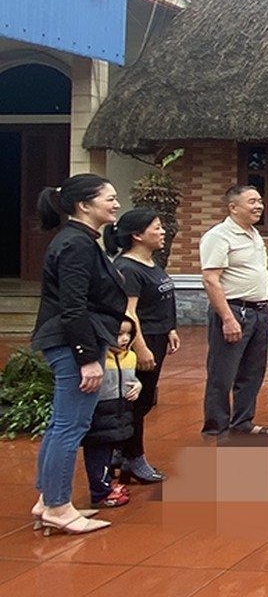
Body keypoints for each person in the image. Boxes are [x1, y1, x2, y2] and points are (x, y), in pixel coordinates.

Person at [30, 173, 125, 536]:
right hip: (71, 344)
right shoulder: (75, 244)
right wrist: (87, 357)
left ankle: (48, 500)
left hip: (73, 340)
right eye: (109, 198)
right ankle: (57, 505)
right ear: (84, 205)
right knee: (71, 426)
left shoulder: (82, 240)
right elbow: (73, 307)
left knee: (61, 425)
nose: (116, 204)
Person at [107, 209, 180, 482]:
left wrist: (169, 328)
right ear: (137, 235)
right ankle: (133, 459)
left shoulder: (150, 262)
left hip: (158, 335)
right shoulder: (127, 267)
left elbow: (159, 299)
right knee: (136, 402)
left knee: (144, 400)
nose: (163, 232)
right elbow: (129, 313)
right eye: (157, 227)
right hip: (142, 340)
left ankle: (120, 451)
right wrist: (142, 348)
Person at [199, 185, 268, 437]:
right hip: (234, 310)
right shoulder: (219, 236)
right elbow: (211, 279)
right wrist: (227, 318)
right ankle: (216, 427)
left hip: (258, 310)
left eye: (260, 201)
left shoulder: (253, 234)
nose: (259, 206)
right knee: (222, 373)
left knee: (253, 371)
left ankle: (243, 421)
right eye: (252, 202)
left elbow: (258, 274)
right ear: (233, 207)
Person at [81, 319, 141, 509]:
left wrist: (138, 385)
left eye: (128, 334)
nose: (124, 339)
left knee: (108, 455)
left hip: (120, 413)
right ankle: (100, 492)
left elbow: (130, 379)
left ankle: (105, 486)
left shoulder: (130, 356)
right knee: (98, 455)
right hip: (101, 415)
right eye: (119, 334)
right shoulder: (98, 360)